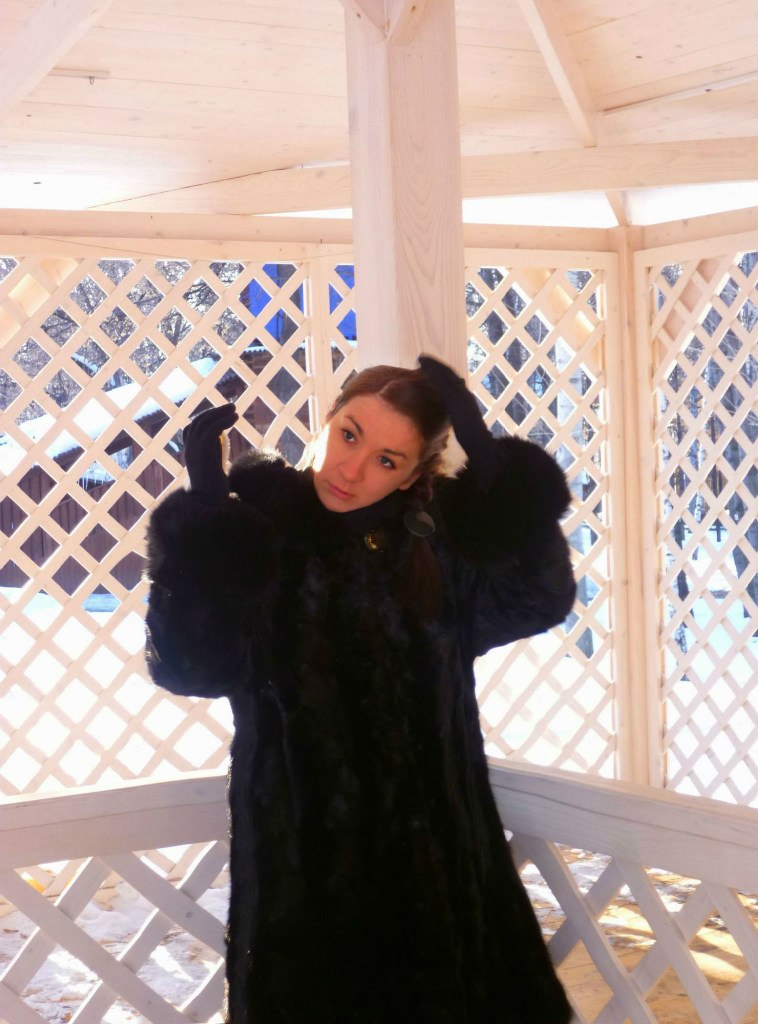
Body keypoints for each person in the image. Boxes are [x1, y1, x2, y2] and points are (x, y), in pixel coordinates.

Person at [144, 354, 576, 1024]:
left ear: (412, 474)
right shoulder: (259, 542)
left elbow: (537, 598)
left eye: (386, 460)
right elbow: (189, 667)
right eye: (349, 435)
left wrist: (501, 483)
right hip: (309, 897)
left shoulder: (436, 550)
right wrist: (204, 526)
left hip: (442, 888)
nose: (351, 470)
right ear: (327, 420)